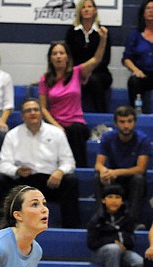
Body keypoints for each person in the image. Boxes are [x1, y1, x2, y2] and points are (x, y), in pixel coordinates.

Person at [0, 99, 80, 228]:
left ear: (41, 113)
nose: (32, 113)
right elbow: (3, 164)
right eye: (28, 111)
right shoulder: (12, 135)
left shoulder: (56, 133)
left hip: (50, 182)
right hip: (22, 182)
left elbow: (69, 162)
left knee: (71, 181)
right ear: (22, 115)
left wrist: (60, 172)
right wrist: (16, 171)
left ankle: (71, 228)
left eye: (35, 110)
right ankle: (1, 228)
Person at [39, 33, 108, 168]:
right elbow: (43, 108)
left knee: (75, 131)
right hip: (55, 124)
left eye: (61, 53)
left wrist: (103, 39)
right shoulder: (45, 79)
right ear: (50, 58)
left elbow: (96, 59)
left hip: (76, 124)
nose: (58, 56)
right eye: (54, 53)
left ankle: (77, 169)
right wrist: (57, 126)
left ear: (67, 57)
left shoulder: (77, 72)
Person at [94, 105, 152, 223]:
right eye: (122, 122)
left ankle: (132, 222)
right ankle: (101, 218)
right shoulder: (107, 137)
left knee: (138, 179)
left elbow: (141, 168)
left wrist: (116, 172)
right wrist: (103, 171)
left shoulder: (142, 139)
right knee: (97, 177)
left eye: (129, 121)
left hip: (131, 180)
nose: (126, 125)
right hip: (113, 179)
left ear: (135, 122)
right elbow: (98, 164)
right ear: (116, 123)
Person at [87, 184, 143, 267]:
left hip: (123, 251)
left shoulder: (127, 218)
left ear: (122, 201)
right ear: (103, 200)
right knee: (114, 248)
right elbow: (91, 243)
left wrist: (123, 242)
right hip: (100, 253)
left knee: (140, 263)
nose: (114, 201)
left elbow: (131, 240)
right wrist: (113, 241)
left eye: (117, 197)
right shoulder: (97, 219)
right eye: (110, 197)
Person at [65, 0, 112, 113]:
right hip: (76, 72)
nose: (86, 9)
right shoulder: (72, 32)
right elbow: (69, 57)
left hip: (99, 72)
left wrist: (88, 72)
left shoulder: (102, 32)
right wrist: (80, 73)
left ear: (95, 10)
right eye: (83, 7)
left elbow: (105, 59)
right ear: (79, 11)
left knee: (95, 80)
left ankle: (101, 117)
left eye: (89, 7)